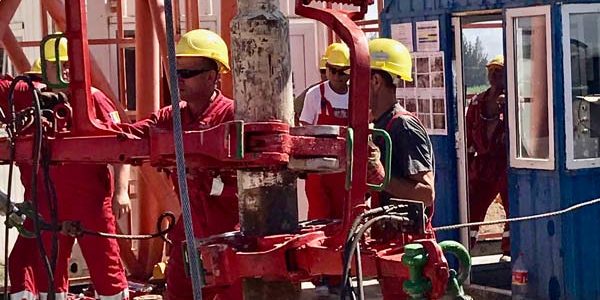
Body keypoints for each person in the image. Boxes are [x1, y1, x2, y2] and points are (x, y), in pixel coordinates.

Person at [2, 35, 131, 299]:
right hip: (46, 204)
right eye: (60, 66)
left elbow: (122, 146)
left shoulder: (94, 99)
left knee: (106, 268)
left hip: (90, 204)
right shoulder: (27, 97)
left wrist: (121, 191)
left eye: (71, 66)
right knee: (46, 271)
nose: (66, 72)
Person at [117, 29, 242, 300]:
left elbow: (251, 183)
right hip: (189, 233)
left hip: (231, 235)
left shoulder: (232, 116)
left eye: (187, 73)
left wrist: (211, 182)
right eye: (175, 72)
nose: (178, 81)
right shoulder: (172, 116)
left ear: (212, 76)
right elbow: (129, 136)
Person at [368, 37, 436, 300]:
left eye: (359, 79)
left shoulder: (403, 126)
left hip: (408, 247)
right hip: (390, 242)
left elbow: (426, 193)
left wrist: (382, 178)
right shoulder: (381, 125)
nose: (352, 87)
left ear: (375, 81)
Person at [299, 42, 351, 221]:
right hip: (318, 174)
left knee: (346, 221)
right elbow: (305, 129)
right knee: (319, 222)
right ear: (326, 68)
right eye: (332, 70)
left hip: (345, 174)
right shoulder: (314, 95)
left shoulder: (356, 96)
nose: (337, 76)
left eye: (342, 71)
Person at [465, 55, 509, 259]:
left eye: (498, 71)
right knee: (473, 207)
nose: (493, 75)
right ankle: (465, 248)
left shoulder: (512, 101)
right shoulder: (477, 102)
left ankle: (509, 250)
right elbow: (467, 132)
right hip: (481, 166)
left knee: (512, 207)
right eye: (491, 71)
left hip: (504, 165)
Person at [293, 53, 328, 125]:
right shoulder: (313, 92)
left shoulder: (351, 93)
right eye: (323, 71)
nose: (325, 75)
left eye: (339, 72)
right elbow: (295, 111)